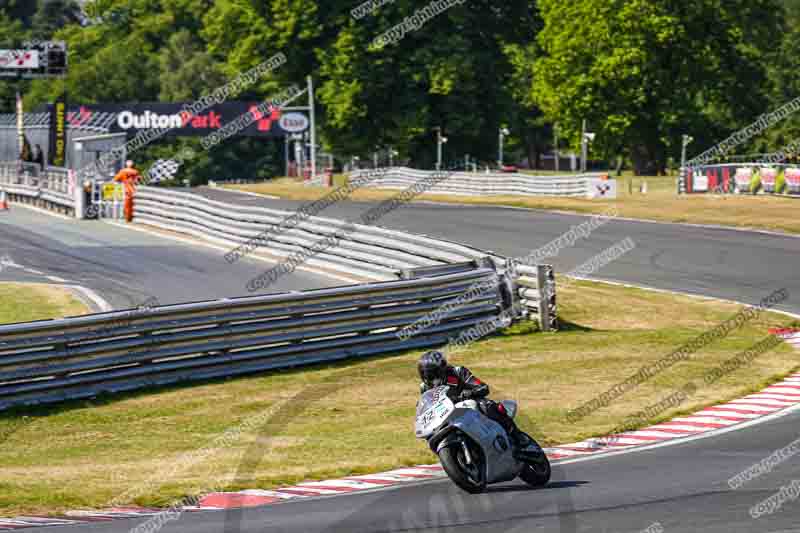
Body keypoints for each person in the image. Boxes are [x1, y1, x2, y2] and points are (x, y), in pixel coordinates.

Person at [417, 350, 530, 455]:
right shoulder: (424, 388)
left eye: (433, 374)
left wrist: (470, 392)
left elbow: (483, 387)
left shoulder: (458, 372)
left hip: (469, 406)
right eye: (427, 375)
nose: (432, 379)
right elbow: (427, 405)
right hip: (448, 415)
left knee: (486, 405)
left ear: (442, 369)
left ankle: (517, 436)